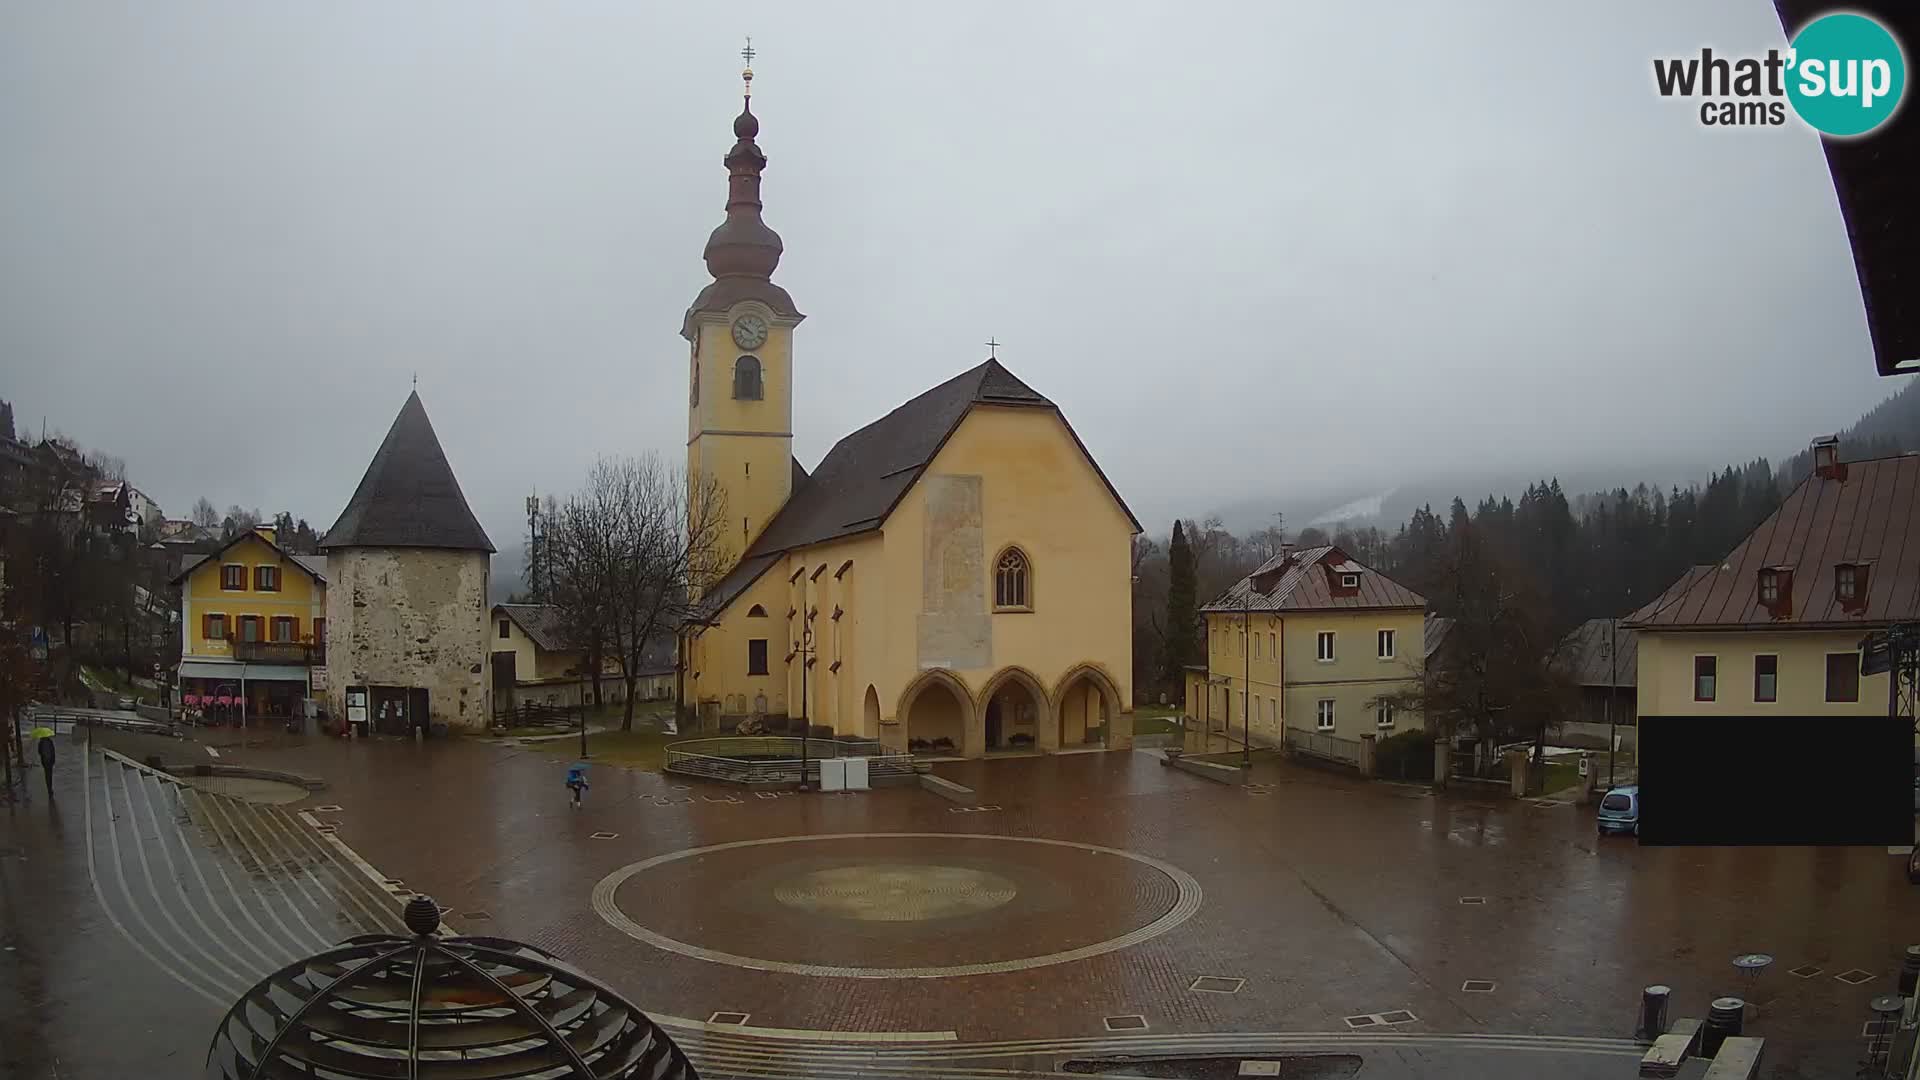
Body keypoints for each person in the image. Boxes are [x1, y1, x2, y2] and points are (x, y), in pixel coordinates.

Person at [37, 730, 56, 798]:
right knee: (50, 774)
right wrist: (53, 760)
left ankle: (49, 788)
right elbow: (53, 751)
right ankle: (50, 788)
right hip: (50, 761)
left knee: (47, 775)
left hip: (45, 762)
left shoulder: (41, 743)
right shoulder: (50, 742)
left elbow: (39, 752)